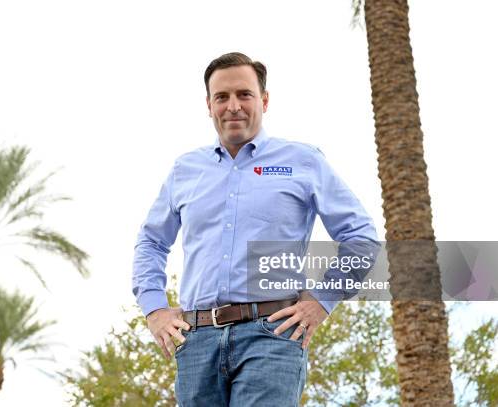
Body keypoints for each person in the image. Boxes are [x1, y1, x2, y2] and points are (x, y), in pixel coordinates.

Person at [132, 52, 378, 406]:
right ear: (209, 105)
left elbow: (362, 239)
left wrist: (321, 301)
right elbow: (151, 242)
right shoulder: (185, 170)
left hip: (272, 335)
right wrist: (155, 309)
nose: (233, 106)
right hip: (196, 340)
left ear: (264, 100)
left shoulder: (303, 161)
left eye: (244, 94)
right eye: (222, 97)